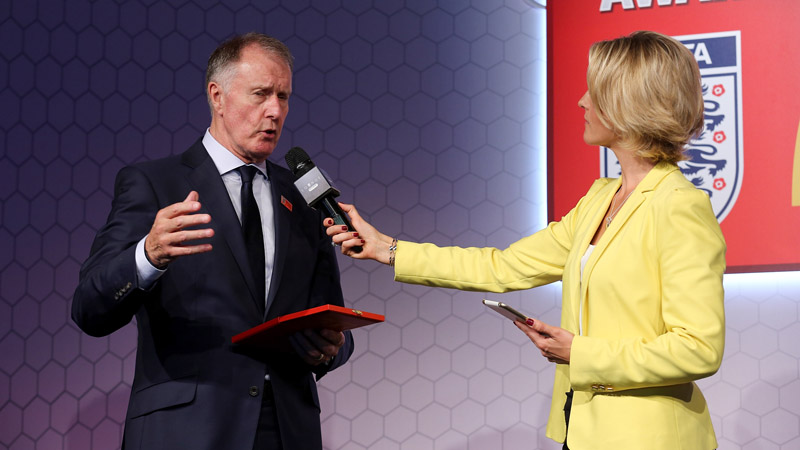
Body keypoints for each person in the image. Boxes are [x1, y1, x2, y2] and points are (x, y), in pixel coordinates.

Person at [326, 31, 725, 450]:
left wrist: (581, 353)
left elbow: (698, 349)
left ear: (628, 102)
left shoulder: (679, 207)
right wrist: (387, 249)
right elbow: (503, 266)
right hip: (584, 432)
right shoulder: (599, 199)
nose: (582, 102)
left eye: (595, 91)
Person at [72, 33, 354, 450]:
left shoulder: (303, 196)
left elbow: (331, 315)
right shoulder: (155, 183)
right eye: (260, 94)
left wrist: (331, 348)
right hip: (187, 431)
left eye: (283, 96)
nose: (275, 111)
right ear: (217, 96)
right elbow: (89, 308)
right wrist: (147, 256)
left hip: (286, 432)